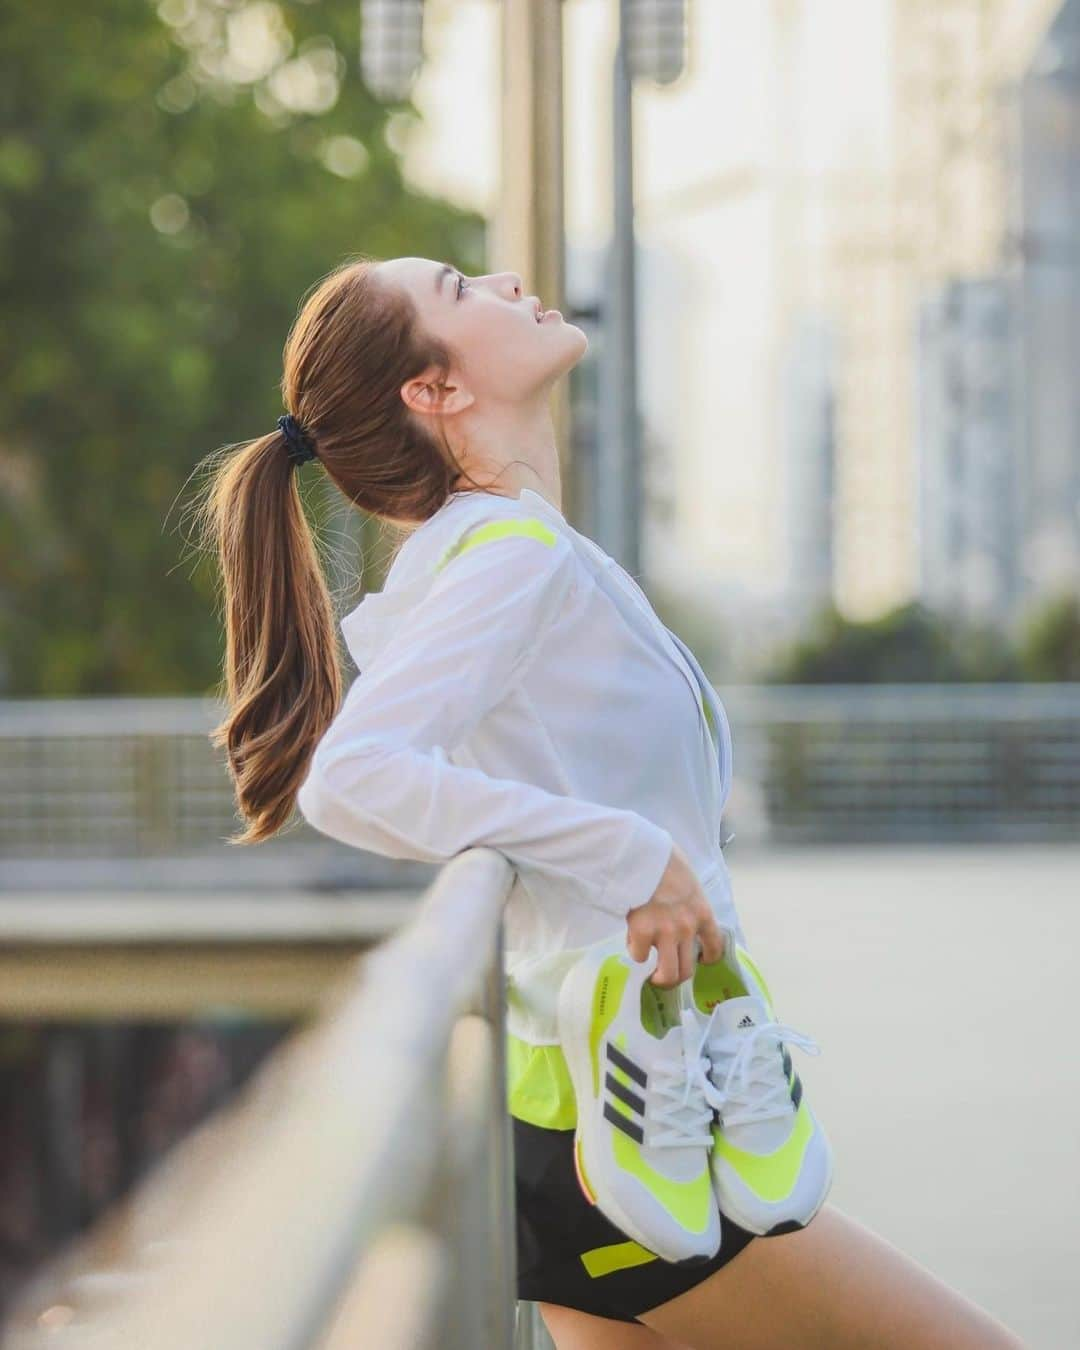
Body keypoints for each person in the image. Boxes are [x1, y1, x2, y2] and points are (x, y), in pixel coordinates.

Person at [194, 254, 1027, 1349]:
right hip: (627, 1131)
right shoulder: (509, 557)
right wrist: (631, 853)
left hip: (585, 1126)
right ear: (435, 393)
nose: (503, 276)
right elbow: (356, 777)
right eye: (460, 288)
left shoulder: (473, 554)